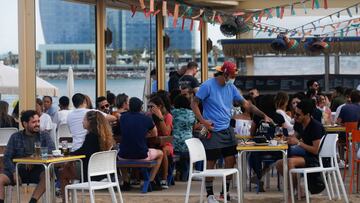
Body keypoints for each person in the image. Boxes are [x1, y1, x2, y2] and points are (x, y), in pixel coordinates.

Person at [191, 61, 272, 202]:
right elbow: (194, 103)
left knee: (231, 160)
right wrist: (203, 121)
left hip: (227, 128)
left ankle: (224, 193)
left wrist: (263, 115)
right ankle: (210, 195)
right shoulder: (208, 85)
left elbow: (247, 104)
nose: (234, 78)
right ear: (226, 74)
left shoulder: (231, 86)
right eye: (233, 75)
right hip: (212, 129)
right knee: (211, 162)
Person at [0, 110, 56, 203]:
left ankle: (32, 201)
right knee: (0, 179)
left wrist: (32, 159)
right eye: (34, 122)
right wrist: (14, 172)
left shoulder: (44, 135)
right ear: (25, 124)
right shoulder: (15, 137)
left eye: (38, 121)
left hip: (37, 169)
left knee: (47, 175)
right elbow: (7, 157)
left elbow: (51, 151)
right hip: (18, 170)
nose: (37, 124)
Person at [59, 110, 115, 200]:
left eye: (84, 120)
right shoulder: (105, 136)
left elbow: (83, 153)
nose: (82, 122)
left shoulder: (91, 137)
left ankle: (65, 201)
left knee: (62, 172)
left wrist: (69, 155)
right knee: (68, 166)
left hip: (91, 174)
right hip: (104, 173)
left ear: (90, 122)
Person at [276, 99, 324, 196]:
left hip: (317, 158)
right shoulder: (299, 123)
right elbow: (295, 137)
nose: (295, 116)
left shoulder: (315, 126)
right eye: (295, 113)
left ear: (307, 115)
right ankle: (299, 189)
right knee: (279, 163)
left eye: (298, 115)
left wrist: (298, 143)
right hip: (307, 155)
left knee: (290, 162)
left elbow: (316, 150)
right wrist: (285, 139)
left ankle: (291, 193)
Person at [118, 97, 163, 191]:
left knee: (120, 154)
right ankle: (150, 180)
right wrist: (143, 135)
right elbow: (155, 133)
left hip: (124, 155)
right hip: (142, 155)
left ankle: (126, 181)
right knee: (160, 154)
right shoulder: (146, 118)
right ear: (141, 107)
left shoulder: (122, 117)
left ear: (129, 106)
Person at [148, 96, 173, 189]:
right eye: (149, 107)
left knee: (162, 150)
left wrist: (160, 117)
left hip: (166, 144)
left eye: (152, 107)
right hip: (153, 143)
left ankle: (164, 178)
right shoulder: (149, 116)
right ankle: (137, 177)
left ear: (160, 106)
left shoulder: (168, 116)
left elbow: (166, 133)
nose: (150, 109)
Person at [172, 95, 196, 181]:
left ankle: (178, 173)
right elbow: (194, 127)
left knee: (179, 158)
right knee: (187, 159)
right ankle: (186, 175)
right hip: (188, 144)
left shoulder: (173, 113)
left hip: (175, 144)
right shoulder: (191, 113)